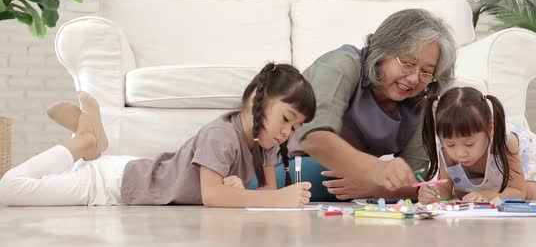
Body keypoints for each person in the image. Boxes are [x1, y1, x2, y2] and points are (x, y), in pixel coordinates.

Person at [0, 63, 316, 208]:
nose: (287, 133)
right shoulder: (221, 134)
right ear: (256, 98)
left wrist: (251, 192)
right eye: (286, 119)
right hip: (110, 184)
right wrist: (272, 198)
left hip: (136, 172)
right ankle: (82, 142)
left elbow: (264, 193)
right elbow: (214, 197)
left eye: (295, 127)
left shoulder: (266, 143)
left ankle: (90, 139)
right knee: (10, 189)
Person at [284, 9, 457, 201]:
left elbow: (416, 183)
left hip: (347, 190)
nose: (414, 78)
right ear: (383, 51)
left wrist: (374, 187)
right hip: (289, 166)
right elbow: (314, 137)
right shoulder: (341, 64)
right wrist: (375, 170)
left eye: (426, 72)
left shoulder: (419, 106)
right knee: (322, 171)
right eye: (407, 63)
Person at [418, 87, 536, 204]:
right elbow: (446, 189)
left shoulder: (506, 141)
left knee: (530, 192)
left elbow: (518, 192)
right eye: (450, 144)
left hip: (521, 168)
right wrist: (433, 194)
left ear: (490, 130)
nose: (460, 153)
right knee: (465, 195)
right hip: (487, 179)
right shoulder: (445, 148)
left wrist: (489, 195)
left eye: (469, 143)